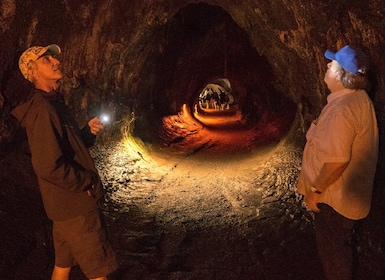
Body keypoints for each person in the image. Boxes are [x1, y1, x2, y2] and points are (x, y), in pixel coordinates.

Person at [11, 44, 118, 280]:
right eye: (46, 60)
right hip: (76, 207)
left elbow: (66, 149)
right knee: (99, 272)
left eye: (54, 58)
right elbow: (48, 165)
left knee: (62, 268)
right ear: (33, 71)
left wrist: (87, 133)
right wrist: (87, 181)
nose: (56, 62)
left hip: (64, 208)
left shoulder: (54, 103)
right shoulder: (43, 109)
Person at [297, 45, 378, 280]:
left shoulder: (343, 110)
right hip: (342, 198)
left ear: (340, 75)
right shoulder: (355, 100)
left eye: (331, 64)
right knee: (338, 250)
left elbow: (337, 161)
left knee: (334, 253)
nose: (327, 66)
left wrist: (315, 191)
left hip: (334, 199)